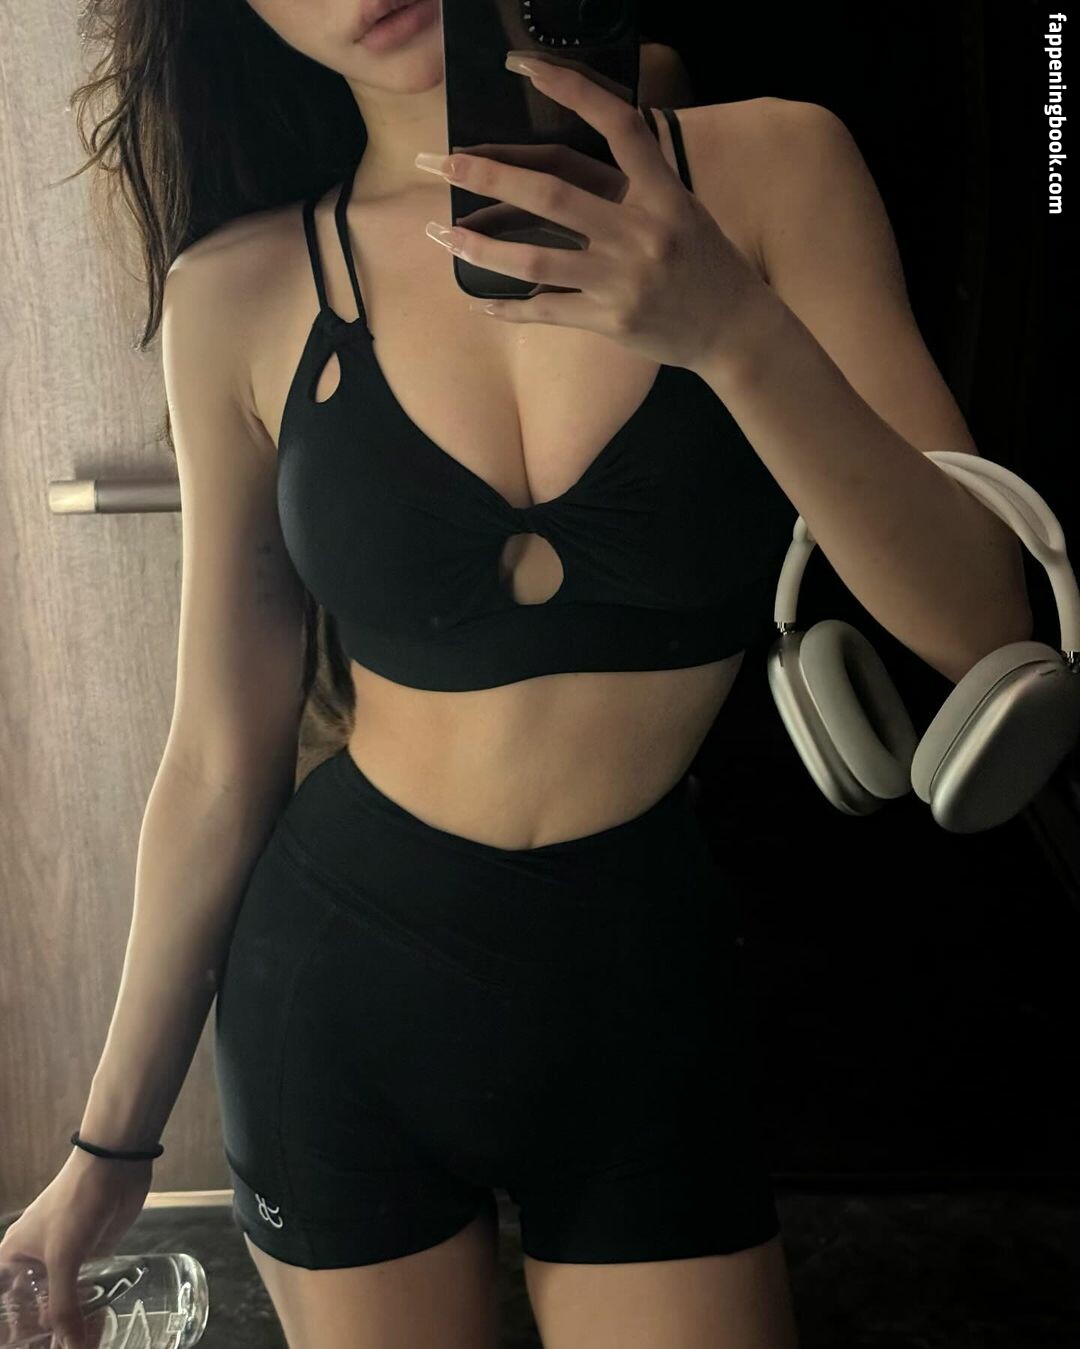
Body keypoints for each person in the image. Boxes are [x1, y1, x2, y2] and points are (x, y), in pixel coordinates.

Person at [1, 3, 1035, 1348]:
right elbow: (214, 760)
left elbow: (979, 621)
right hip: (338, 1000)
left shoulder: (775, 172)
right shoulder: (239, 290)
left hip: (645, 995)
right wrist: (108, 1148)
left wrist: (731, 329)